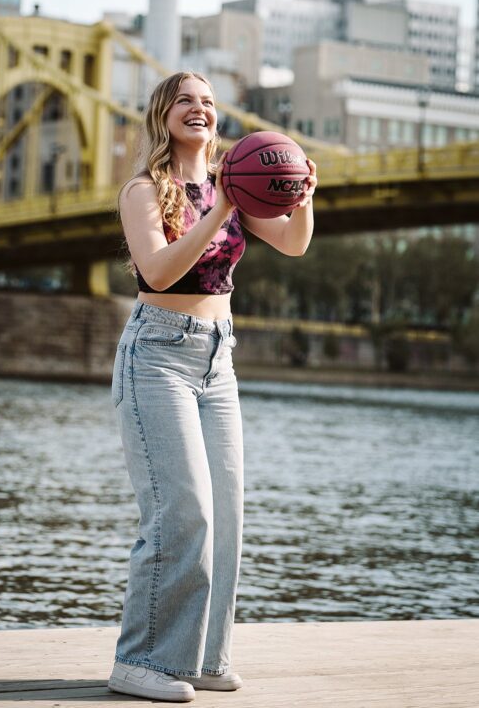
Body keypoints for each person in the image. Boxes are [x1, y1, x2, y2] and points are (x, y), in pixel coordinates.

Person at [107, 71, 318, 703]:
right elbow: (160, 269)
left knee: (225, 518)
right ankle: (140, 660)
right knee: (183, 513)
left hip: (218, 359)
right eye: (185, 100)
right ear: (163, 115)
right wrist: (223, 207)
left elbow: (292, 243)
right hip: (158, 354)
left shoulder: (237, 178)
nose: (199, 108)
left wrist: (301, 196)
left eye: (208, 100)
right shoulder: (145, 191)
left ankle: (199, 657)